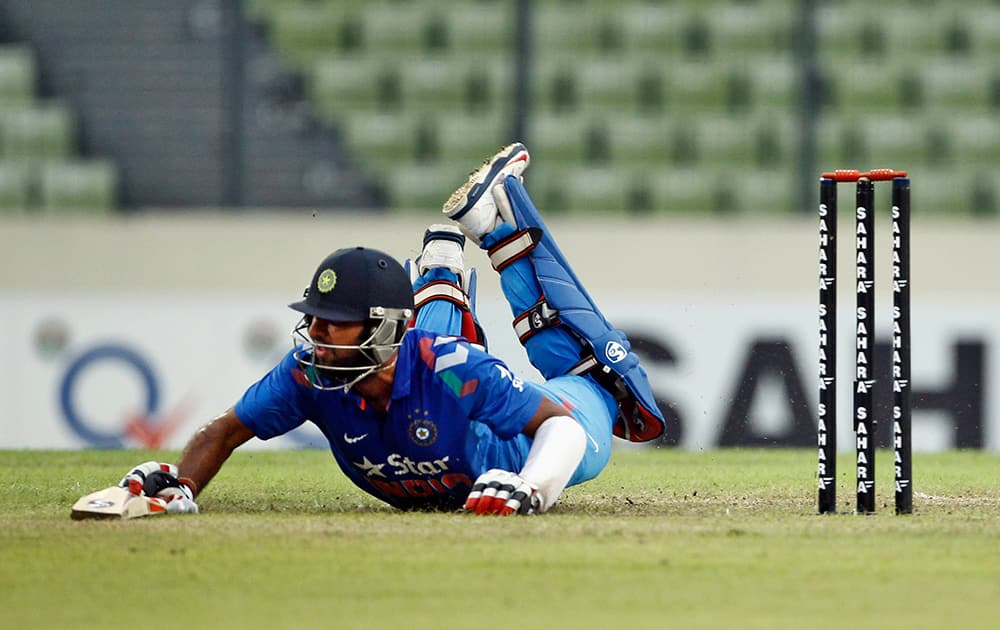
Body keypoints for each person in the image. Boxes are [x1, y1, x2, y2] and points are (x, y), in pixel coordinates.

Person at [120, 143, 665, 516]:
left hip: (532, 445)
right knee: (428, 351)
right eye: (312, 319)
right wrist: (182, 484)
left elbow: (564, 430)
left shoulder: (451, 368)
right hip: (432, 375)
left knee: (599, 377)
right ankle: (442, 271)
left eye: (332, 323)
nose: (314, 334)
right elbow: (222, 432)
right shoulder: (307, 376)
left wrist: (531, 488)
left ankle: (503, 225)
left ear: (380, 328)